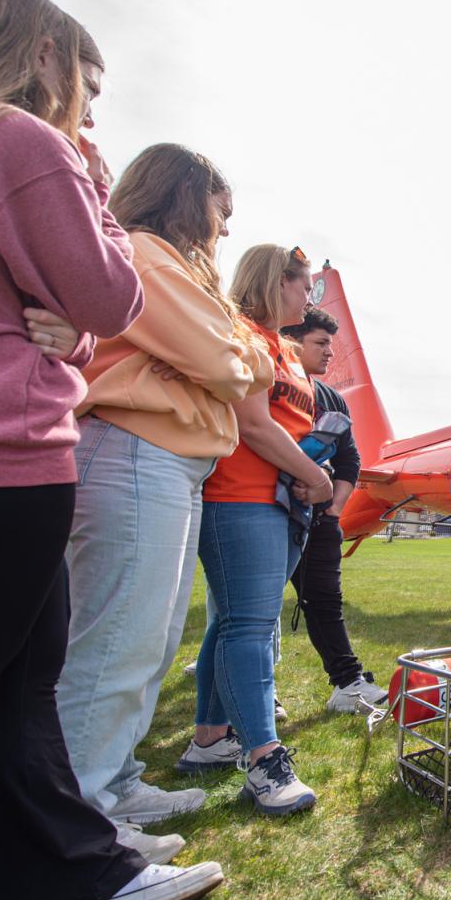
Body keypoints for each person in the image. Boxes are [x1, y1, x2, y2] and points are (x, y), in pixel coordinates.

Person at [0, 0, 222, 900]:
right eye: (87, 86)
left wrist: (60, 338)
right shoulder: (17, 141)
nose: (89, 111)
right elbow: (108, 296)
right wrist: (90, 183)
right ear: (44, 59)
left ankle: (67, 873)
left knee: (18, 683)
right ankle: (69, 868)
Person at [55, 144, 268, 843]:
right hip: (136, 450)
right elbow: (229, 366)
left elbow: (248, 358)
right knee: (117, 638)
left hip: (167, 461)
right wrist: (225, 354)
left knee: (146, 639)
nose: (224, 228)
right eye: (218, 209)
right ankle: (79, 809)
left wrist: (227, 352)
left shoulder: (173, 270)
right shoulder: (146, 253)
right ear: (185, 196)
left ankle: (111, 781)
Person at [177, 244, 331, 815]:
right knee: (249, 626)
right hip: (239, 497)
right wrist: (314, 474)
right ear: (276, 281)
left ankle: (211, 738)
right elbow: (253, 425)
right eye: (303, 285)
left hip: (280, 501)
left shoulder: (286, 350)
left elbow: (288, 423)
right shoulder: (242, 334)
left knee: (233, 621)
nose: (308, 296)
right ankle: (264, 761)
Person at [279, 306, 386, 714]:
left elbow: (350, 459)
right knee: (253, 610)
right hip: (266, 511)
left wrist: (332, 507)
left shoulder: (331, 398)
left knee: (324, 600)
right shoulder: (275, 386)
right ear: (293, 342)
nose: (330, 353)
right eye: (321, 344)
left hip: (318, 520)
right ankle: (250, 689)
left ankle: (346, 681)